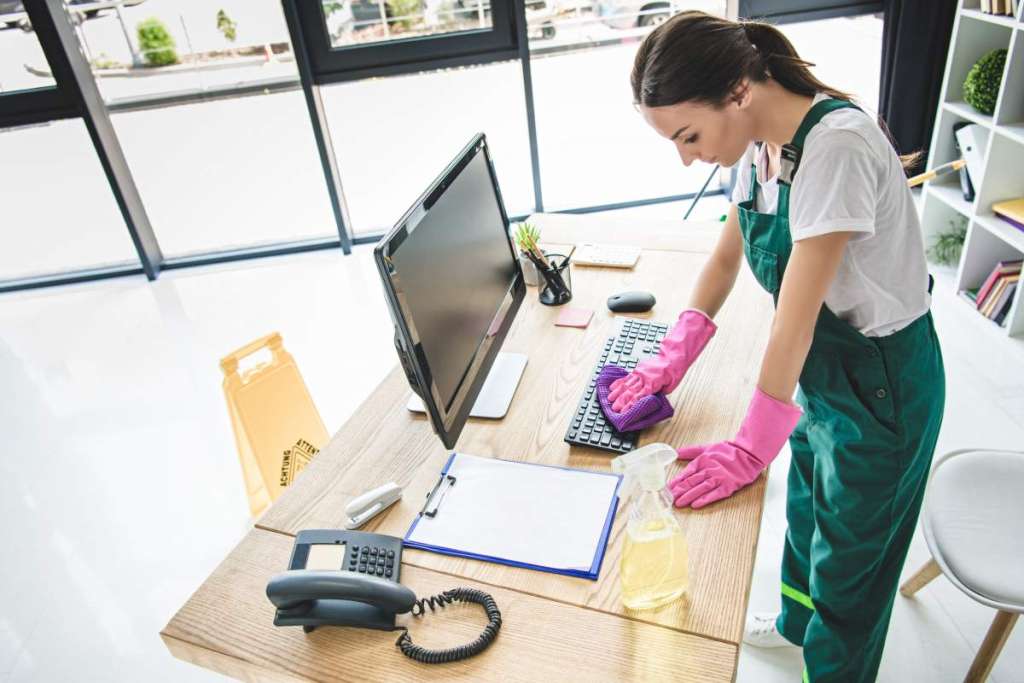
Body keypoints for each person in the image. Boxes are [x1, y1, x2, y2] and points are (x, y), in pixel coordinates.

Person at [607, 11, 945, 683]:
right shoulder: (758, 146)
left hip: (883, 386)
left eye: (689, 135)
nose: (687, 156)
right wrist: (671, 354)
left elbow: (793, 319)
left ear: (737, 91)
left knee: (851, 570)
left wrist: (752, 442)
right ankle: (794, 628)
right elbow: (726, 261)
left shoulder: (836, 148)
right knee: (804, 518)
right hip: (825, 375)